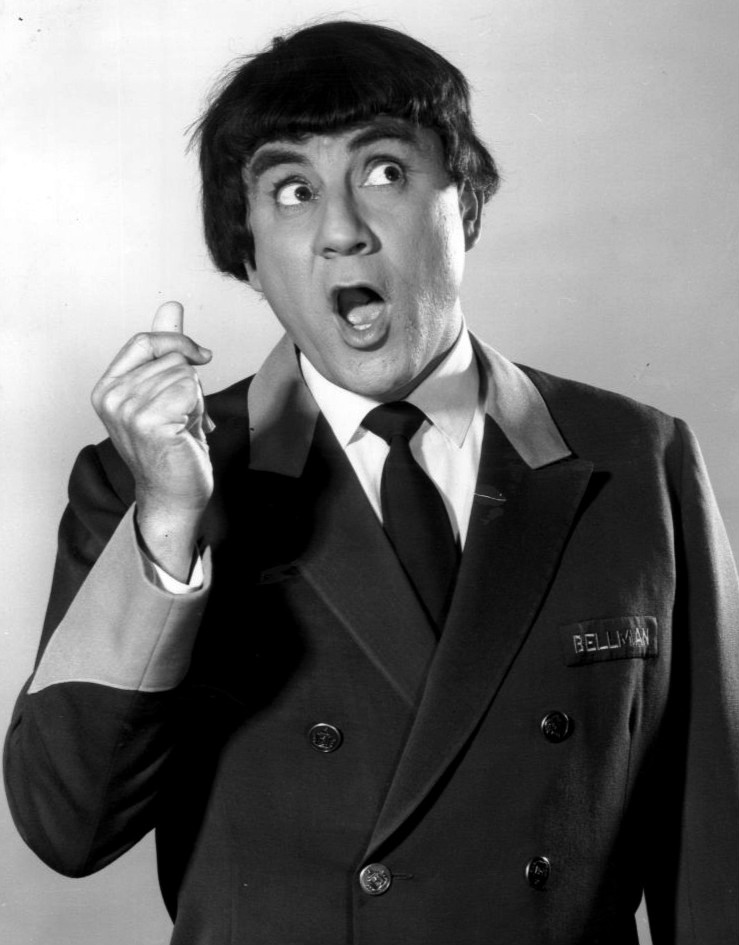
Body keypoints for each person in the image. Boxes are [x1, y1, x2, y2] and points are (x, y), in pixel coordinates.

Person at [4, 19, 738, 945]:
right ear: (247, 252)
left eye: (385, 171)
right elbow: (66, 827)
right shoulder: (145, 477)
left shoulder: (637, 458)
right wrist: (168, 523)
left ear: (465, 203)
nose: (342, 231)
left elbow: (715, 858)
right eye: (293, 190)